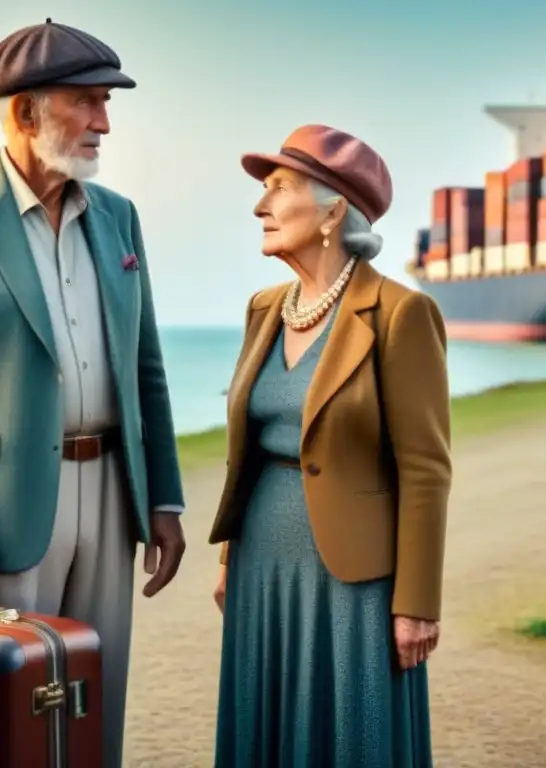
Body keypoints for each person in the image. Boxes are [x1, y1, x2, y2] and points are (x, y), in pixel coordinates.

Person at [0, 19, 186, 768]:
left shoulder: (120, 217)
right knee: (12, 712)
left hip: (114, 497)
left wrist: (165, 498)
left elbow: (144, 365)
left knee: (99, 696)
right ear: (25, 113)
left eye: (106, 102)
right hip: (5, 509)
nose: (104, 122)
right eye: (86, 102)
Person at [208, 124, 452, 767]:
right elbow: (251, 450)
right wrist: (232, 557)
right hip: (262, 559)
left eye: (277, 188)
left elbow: (425, 469)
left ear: (333, 209)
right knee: (264, 723)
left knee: (353, 735)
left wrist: (418, 604)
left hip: (353, 575)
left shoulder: (402, 313)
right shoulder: (264, 308)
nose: (260, 206)